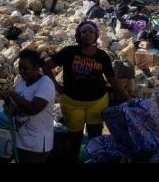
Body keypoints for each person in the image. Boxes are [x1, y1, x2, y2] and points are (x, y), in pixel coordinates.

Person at [42, 21, 130, 162]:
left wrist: (127, 97)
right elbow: (46, 67)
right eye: (84, 32)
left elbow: (112, 80)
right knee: (75, 140)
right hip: (72, 103)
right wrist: (57, 88)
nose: (87, 34)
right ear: (79, 35)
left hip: (97, 102)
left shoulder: (102, 56)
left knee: (95, 138)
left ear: (96, 36)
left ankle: (94, 160)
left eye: (91, 32)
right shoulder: (69, 52)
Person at [0, 49, 55, 163]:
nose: (22, 72)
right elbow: (16, 107)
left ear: (36, 67)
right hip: (20, 140)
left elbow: (33, 109)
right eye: (20, 69)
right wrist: (8, 103)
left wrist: (12, 94)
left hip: (36, 145)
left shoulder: (46, 83)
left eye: (26, 68)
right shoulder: (21, 82)